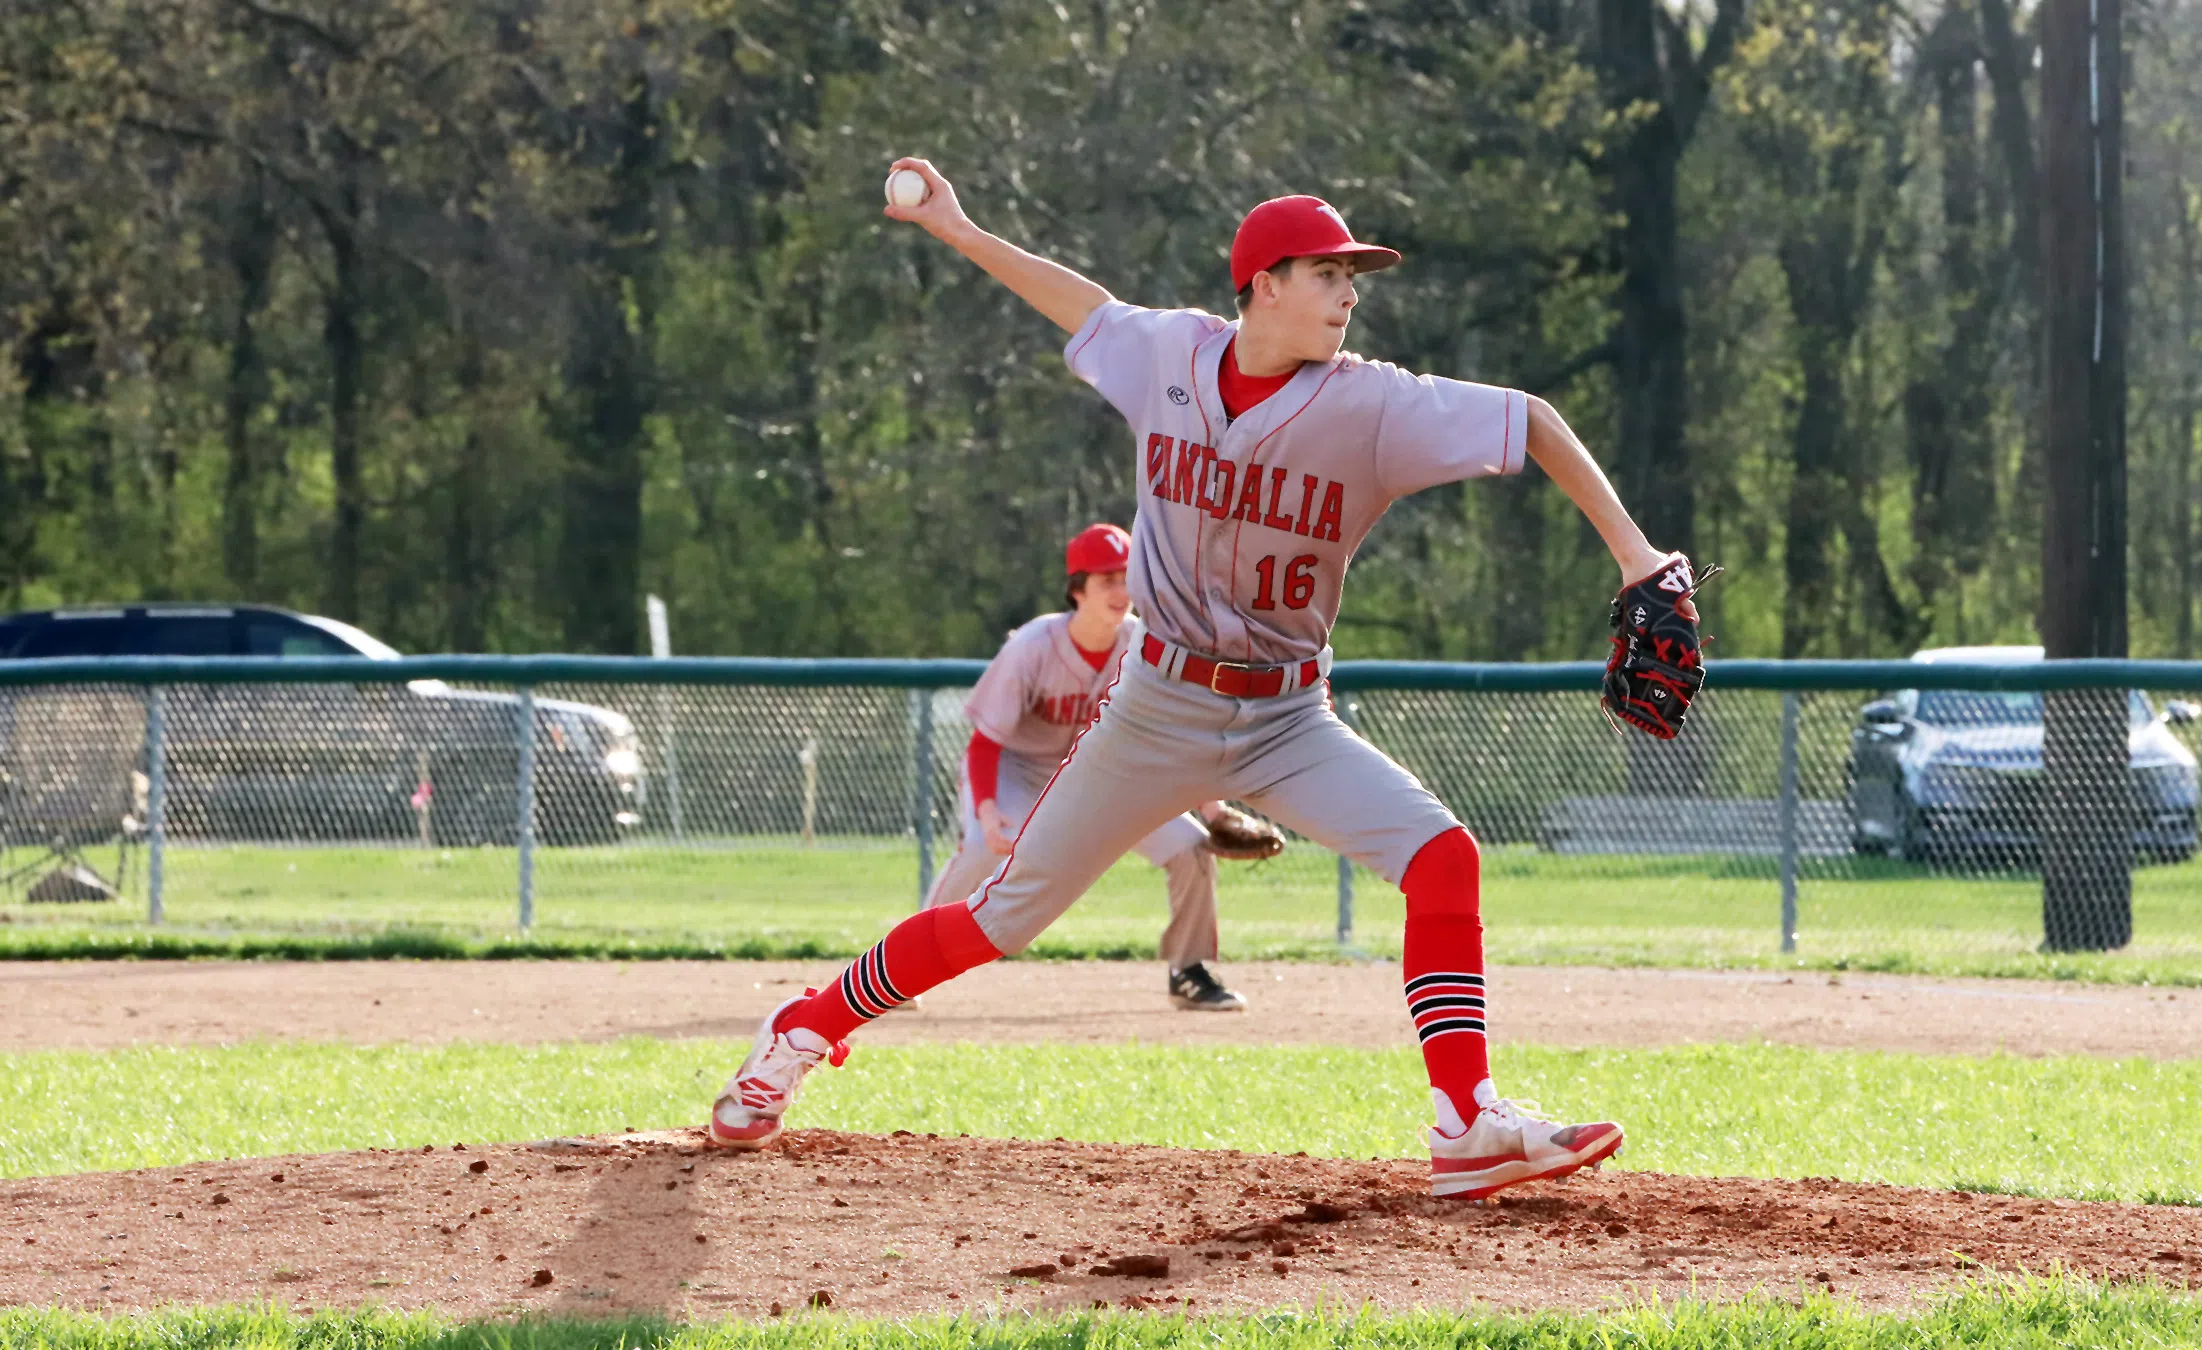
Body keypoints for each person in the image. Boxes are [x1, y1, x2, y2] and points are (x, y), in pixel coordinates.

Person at [710, 158, 1694, 1200]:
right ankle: (803, 1028)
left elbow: (1531, 419)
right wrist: (959, 229)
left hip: (1286, 717)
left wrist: (1644, 562)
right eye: (1329, 273)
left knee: (1444, 857)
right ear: (1265, 282)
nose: (1351, 293)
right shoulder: (1168, 355)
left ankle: (1463, 1121)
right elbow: (1078, 303)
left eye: (1354, 277)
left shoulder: (1372, 407)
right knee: (1000, 919)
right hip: (1157, 709)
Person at [912, 520, 1247, 1012]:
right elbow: (985, 745)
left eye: (1126, 576)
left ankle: (1189, 970)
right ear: (1077, 591)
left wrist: (1215, 811)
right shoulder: (1031, 647)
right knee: (986, 847)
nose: (1121, 589)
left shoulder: (1147, 644)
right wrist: (986, 813)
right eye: (1105, 579)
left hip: (1106, 775)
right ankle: (908, 962)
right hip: (1020, 771)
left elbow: (1178, 734)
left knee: (1192, 848)